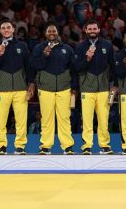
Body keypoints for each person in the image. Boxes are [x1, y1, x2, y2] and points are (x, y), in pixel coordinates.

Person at [0, 19, 34, 155]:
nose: (6, 29)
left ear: (13, 29)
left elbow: (28, 67)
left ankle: (20, 146)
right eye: (3, 28)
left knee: (21, 119)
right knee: (1, 120)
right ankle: (1, 146)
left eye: (8, 27)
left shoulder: (22, 45)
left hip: (20, 88)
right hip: (2, 89)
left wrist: (31, 84)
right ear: (0, 31)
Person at [31, 24, 76, 155]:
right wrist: (44, 55)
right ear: (45, 34)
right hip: (45, 88)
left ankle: (67, 146)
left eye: (54, 30)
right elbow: (34, 65)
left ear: (57, 33)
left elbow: (73, 69)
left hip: (64, 88)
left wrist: (74, 88)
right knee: (46, 118)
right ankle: (45, 145)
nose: (51, 32)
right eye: (49, 30)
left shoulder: (67, 49)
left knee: (64, 118)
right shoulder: (39, 48)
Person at [75, 19, 117, 155]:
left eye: (95, 29)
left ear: (99, 30)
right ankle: (87, 146)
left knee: (103, 119)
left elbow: (113, 66)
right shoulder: (81, 46)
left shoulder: (107, 45)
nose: (92, 31)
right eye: (90, 29)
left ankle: (104, 145)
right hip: (87, 88)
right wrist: (87, 58)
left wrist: (115, 85)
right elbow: (77, 67)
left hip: (104, 88)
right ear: (86, 30)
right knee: (87, 119)